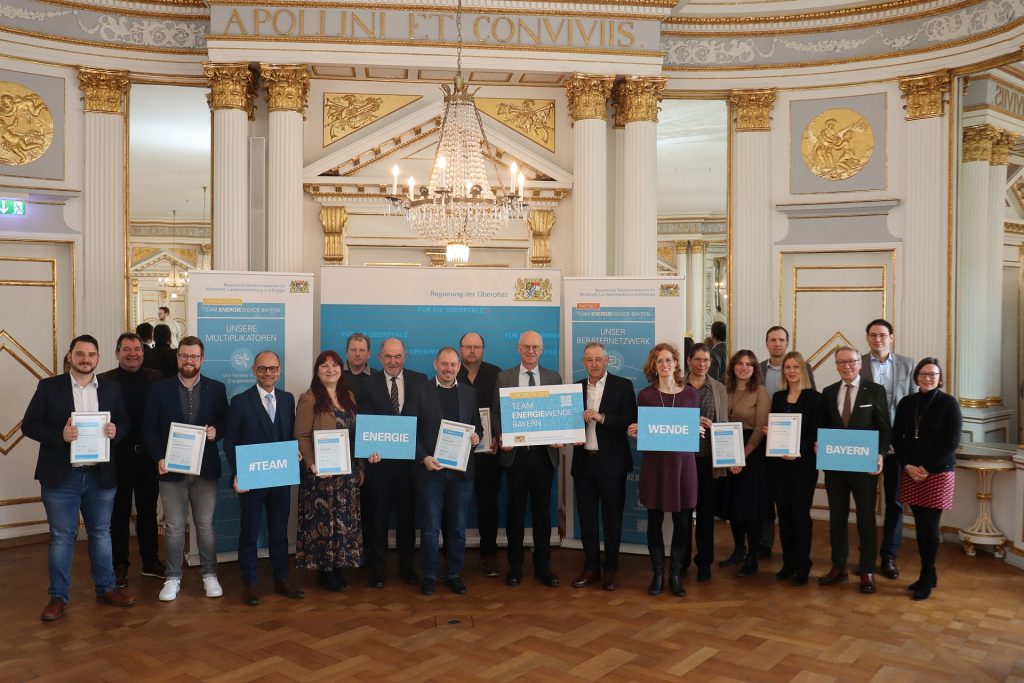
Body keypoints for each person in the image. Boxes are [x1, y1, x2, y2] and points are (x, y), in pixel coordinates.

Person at [22, 334, 134, 621]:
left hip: (100, 475)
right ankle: (58, 596)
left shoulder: (111, 388)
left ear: (98, 358)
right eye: (80, 354)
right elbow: (30, 425)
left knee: (100, 533)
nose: (86, 359)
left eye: (92, 355)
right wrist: (58, 434)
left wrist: (116, 432)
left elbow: (123, 421)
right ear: (70, 357)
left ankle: (106, 588)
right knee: (61, 537)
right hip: (62, 477)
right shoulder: (49, 387)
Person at [143, 335, 228, 602]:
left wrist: (217, 432)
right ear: (177, 357)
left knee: (205, 526)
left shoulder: (217, 388)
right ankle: (172, 578)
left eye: (194, 356)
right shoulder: (160, 389)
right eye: (184, 356)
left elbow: (225, 422)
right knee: (174, 527)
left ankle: (209, 574)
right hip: (171, 470)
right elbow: (149, 428)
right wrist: (159, 457)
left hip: (205, 470)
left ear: (202, 359)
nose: (189, 360)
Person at [223, 351, 305, 605]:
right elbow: (230, 442)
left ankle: (282, 578)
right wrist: (238, 473)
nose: (268, 373)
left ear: (279, 370)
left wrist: (297, 452)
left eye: (273, 368)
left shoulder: (287, 399)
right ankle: (250, 582)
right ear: (254, 371)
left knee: (279, 532)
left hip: (280, 477)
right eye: (262, 369)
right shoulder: (239, 401)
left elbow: (290, 435)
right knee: (249, 532)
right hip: (252, 479)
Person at [409, 347, 483, 595]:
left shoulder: (470, 394)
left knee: (458, 528)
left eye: (453, 365)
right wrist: (423, 458)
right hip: (431, 472)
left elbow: (478, 429)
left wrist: (475, 437)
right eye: (444, 364)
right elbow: (410, 432)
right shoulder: (420, 391)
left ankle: (453, 574)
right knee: (430, 529)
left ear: (459, 367)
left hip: (461, 474)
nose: (448, 369)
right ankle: (429, 575)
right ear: (435, 364)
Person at [354, 338, 427, 588]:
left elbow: (426, 421)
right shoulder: (367, 384)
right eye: (388, 357)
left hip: (411, 467)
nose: (393, 361)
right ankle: (378, 570)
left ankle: (407, 568)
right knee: (378, 520)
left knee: (407, 520)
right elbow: (363, 423)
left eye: (397, 356)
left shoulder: (420, 380)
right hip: (380, 466)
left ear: (405, 356)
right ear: (379, 358)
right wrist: (367, 451)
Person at [492, 330, 562, 588]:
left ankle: (543, 566)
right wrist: (502, 436)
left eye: (536, 347)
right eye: (527, 347)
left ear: (542, 350)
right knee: (515, 513)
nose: (531, 351)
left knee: (542, 514)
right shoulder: (504, 377)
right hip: (516, 457)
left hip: (544, 456)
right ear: (518, 348)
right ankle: (516, 566)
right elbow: (497, 415)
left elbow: (561, 413)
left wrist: (560, 435)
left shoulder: (554, 377)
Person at [818, 345, 891, 594]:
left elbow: (884, 428)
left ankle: (867, 569)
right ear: (836, 366)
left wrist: (880, 454)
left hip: (864, 467)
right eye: (841, 362)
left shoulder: (875, 391)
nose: (846, 366)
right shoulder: (828, 392)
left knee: (866, 519)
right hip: (836, 467)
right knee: (837, 518)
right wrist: (819, 443)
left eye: (851, 361)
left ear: (860, 363)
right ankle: (839, 567)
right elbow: (824, 426)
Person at [627, 343, 697, 597]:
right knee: (654, 521)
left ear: (676, 364)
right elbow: (646, 433)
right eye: (659, 361)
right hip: (655, 467)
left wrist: (697, 431)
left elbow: (691, 432)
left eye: (669, 360)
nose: (665, 365)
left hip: (683, 467)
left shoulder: (690, 395)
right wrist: (636, 432)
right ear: (653, 367)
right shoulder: (645, 396)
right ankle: (658, 574)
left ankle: (675, 574)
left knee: (682, 522)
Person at [98, 333, 165, 588]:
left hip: (149, 456)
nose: (133, 353)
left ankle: (150, 562)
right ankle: (119, 565)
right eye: (126, 349)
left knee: (149, 511)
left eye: (137, 349)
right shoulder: (104, 380)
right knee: (119, 513)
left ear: (143, 351)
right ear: (117, 353)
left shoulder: (157, 378)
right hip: (117, 457)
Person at [294, 350, 364, 592]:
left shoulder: (348, 396)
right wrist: (312, 464)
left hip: (347, 474)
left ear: (341, 370)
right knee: (324, 523)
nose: (330, 369)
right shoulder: (309, 398)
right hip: (321, 476)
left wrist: (361, 466)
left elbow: (356, 437)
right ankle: (324, 571)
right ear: (317, 371)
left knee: (343, 522)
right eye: (324, 365)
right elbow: (301, 436)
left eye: (335, 365)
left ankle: (338, 566)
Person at [892, 358, 961, 601]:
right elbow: (897, 437)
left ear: (939, 377)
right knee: (920, 523)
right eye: (922, 374)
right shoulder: (907, 402)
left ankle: (927, 574)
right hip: (911, 470)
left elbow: (952, 441)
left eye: (932, 374)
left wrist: (926, 467)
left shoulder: (949, 403)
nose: (927, 378)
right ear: (916, 377)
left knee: (930, 526)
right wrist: (909, 465)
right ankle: (928, 575)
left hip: (938, 472)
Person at [571, 343, 637, 592]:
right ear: (583, 362)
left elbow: (630, 419)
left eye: (598, 359)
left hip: (612, 465)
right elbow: (564, 421)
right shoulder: (574, 388)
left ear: (607, 360)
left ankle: (611, 569)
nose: (594, 364)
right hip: (584, 462)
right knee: (587, 519)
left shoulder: (623, 385)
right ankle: (590, 567)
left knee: (612, 519)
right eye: (589, 360)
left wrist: (602, 417)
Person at [860, 318, 916, 581]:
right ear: (867, 338)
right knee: (865, 501)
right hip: (867, 444)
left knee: (895, 502)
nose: (877, 339)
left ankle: (889, 555)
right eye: (873, 335)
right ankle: (866, 554)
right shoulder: (857, 364)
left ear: (891, 337)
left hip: (898, 445)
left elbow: (915, 404)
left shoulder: (908, 364)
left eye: (882, 335)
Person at [765, 351, 823, 586]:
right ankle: (788, 563)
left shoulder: (815, 399)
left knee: (800, 515)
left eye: (795, 367)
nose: (790, 371)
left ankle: (803, 564)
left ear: (803, 370)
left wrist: (797, 449)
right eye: (787, 367)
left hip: (803, 466)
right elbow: (776, 426)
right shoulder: (778, 397)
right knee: (784, 515)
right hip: (779, 465)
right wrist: (771, 433)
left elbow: (815, 432)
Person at [456, 331, 502, 578]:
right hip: (456, 453)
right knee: (452, 506)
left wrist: (498, 435)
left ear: (483, 349)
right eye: (467, 347)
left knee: (488, 505)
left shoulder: (496, 373)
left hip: (489, 452)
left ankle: (489, 555)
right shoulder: (451, 371)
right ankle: (451, 557)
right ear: (460, 349)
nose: (472, 351)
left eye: (476, 347)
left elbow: (502, 409)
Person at [719, 350, 770, 577]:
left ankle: (752, 556)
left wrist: (742, 455)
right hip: (726, 452)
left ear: (754, 369)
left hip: (752, 453)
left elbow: (760, 427)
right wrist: (730, 457)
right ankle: (738, 550)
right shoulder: (723, 390)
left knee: (751, 508)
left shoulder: (760, 392)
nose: (744, 368)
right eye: (739, 363)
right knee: (733, 506)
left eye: (749, 364)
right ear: (732, 367)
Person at [684, 342, 728, 581]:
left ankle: (704, 562)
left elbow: (724, 421)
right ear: (689, 361)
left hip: (709, 459)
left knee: (705, 514)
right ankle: (680, 560)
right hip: (683, 459)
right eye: (698, 359)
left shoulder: (718, 388)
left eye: (706, 360)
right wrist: (693, 420)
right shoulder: (677, 385)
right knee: (683, 513)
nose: (702, 364)